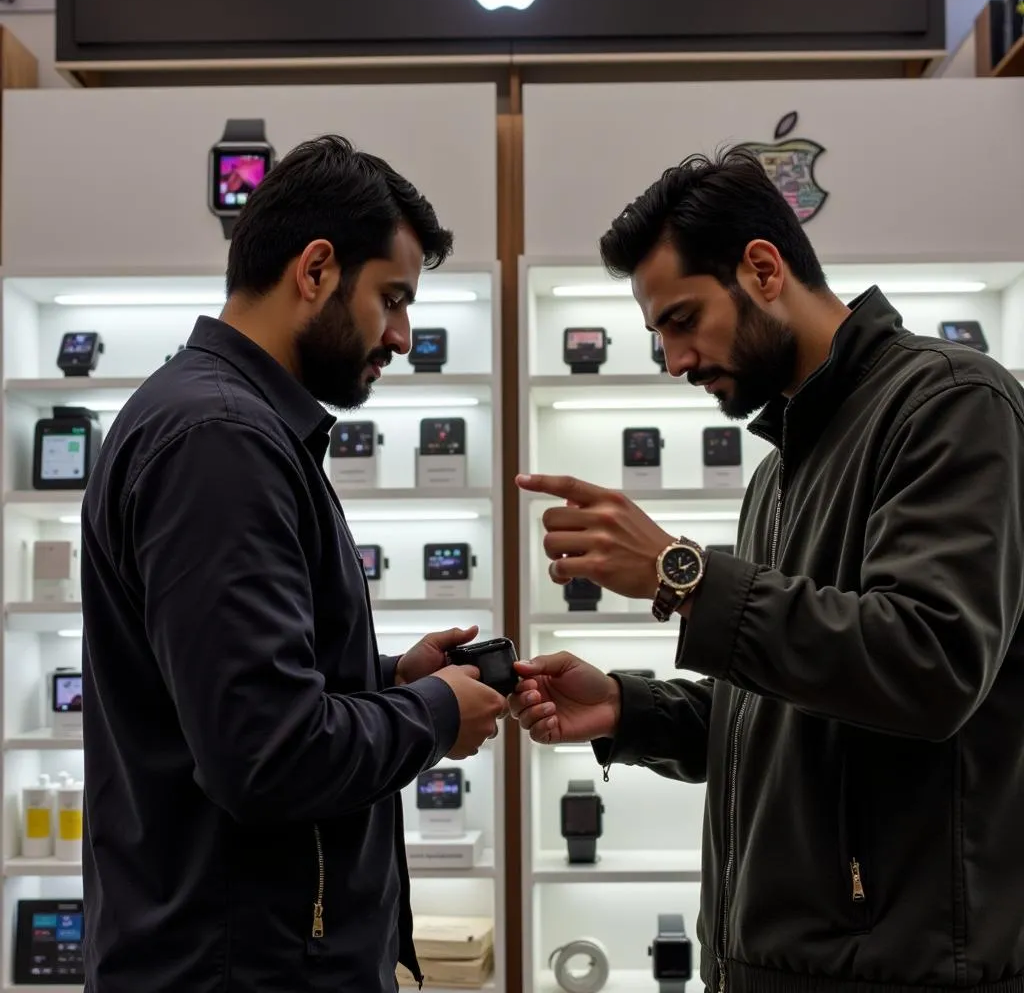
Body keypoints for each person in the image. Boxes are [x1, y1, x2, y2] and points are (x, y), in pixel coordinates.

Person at [510, 148, 1024, 993]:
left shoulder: (952, 403)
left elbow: (929, 663)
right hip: (767, 960)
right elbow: (790, 704)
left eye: (683, 320)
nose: (675, 360)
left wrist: (684, 577)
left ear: (761, 268)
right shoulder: (779, 469)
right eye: (658, 337)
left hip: (897, 966)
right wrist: (629, 709)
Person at [80, 135, 508, 993]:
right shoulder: (220, 444)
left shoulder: (226, 425)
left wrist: (388, 679)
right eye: (391, 298)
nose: (402, 335)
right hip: (241, 966)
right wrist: (429, 714)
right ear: (315, 271)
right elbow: (266, 755)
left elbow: (232, 693)